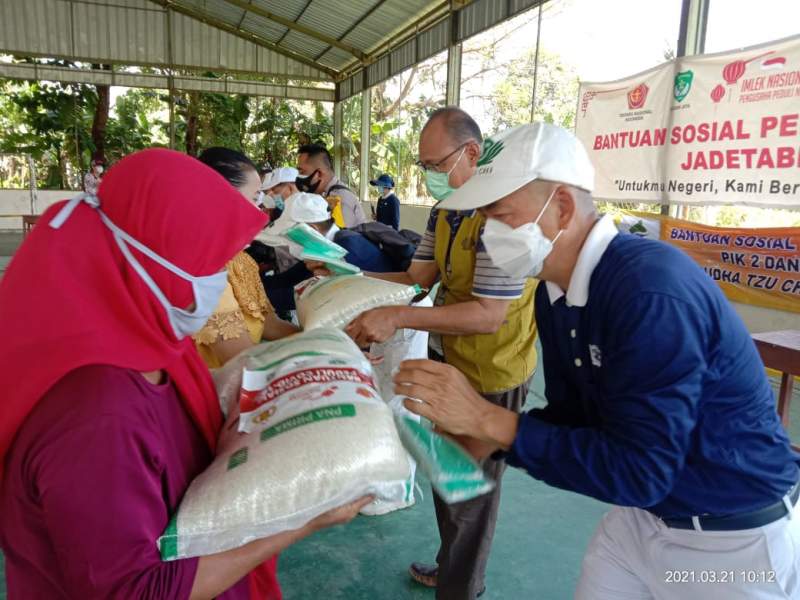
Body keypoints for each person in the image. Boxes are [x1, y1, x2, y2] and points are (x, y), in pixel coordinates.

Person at [395, 122, 800, 600]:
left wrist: (488, 419)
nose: (489, 233)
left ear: (562, 206)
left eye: (500, 215)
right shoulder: (555, 291)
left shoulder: (650, 291)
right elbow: (578, 418)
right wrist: (488, 439)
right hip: (643, 521)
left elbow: (641, 471)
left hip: (733, 540)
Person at [0, 148, 371, 600]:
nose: (218, 282)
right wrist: (301, 519)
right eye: (210, 265)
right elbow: (136, 591)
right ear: (151, 263)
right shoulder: (97, 415)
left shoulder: (150, 344)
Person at [343, 107, 539, 600]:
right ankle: (450, 563)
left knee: (471, 490)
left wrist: (399, 318)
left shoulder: (503, 210)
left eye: (436, 164)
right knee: (447, 478)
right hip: (449, 359)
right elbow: (418, 279)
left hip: (493, 367)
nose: (430, 175)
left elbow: (488, 314)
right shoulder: (446, 209)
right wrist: (350, 277)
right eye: (424, 164)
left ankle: (461, 587)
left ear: (472, 153)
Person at [195, 148, 299, 369]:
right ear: (220, 199)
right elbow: (240, 358)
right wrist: (326, 355)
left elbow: (270, 324)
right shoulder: (202, 269)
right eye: (253, 199)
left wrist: (327, 341)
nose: (259, 212)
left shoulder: (242, 261)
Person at [270, 192, 395, 273]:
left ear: (312, 230)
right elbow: (290, 279)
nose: (290, 243)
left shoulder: (345, 249)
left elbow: (294, 292)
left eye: (291, 236)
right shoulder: (326, 246)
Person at [296, 143, 367, 228]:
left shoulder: (340, 198)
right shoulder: (324, 194)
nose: (298, 176)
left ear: (319, 174)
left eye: (302, 172)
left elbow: (341, 238)